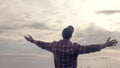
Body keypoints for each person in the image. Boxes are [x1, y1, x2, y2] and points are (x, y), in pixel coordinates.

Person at [24, 25, 118, 68]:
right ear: (71, 36)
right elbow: (89, 48)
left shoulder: (54, 46)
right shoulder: (74, 47)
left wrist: (32, 40)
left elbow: (43, 45)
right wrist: (104, 45)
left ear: (62, 34)